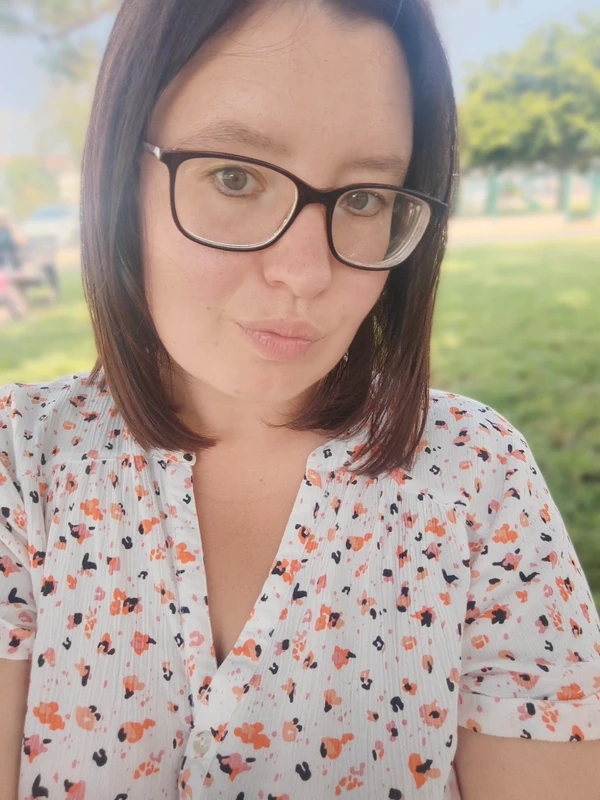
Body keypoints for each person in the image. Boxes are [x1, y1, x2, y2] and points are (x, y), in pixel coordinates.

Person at [0, 1, 599, 798]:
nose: (306, 273)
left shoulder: (479, 478)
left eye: (364, 198)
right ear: (119, 174)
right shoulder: (21, 465)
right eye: (235, 177)